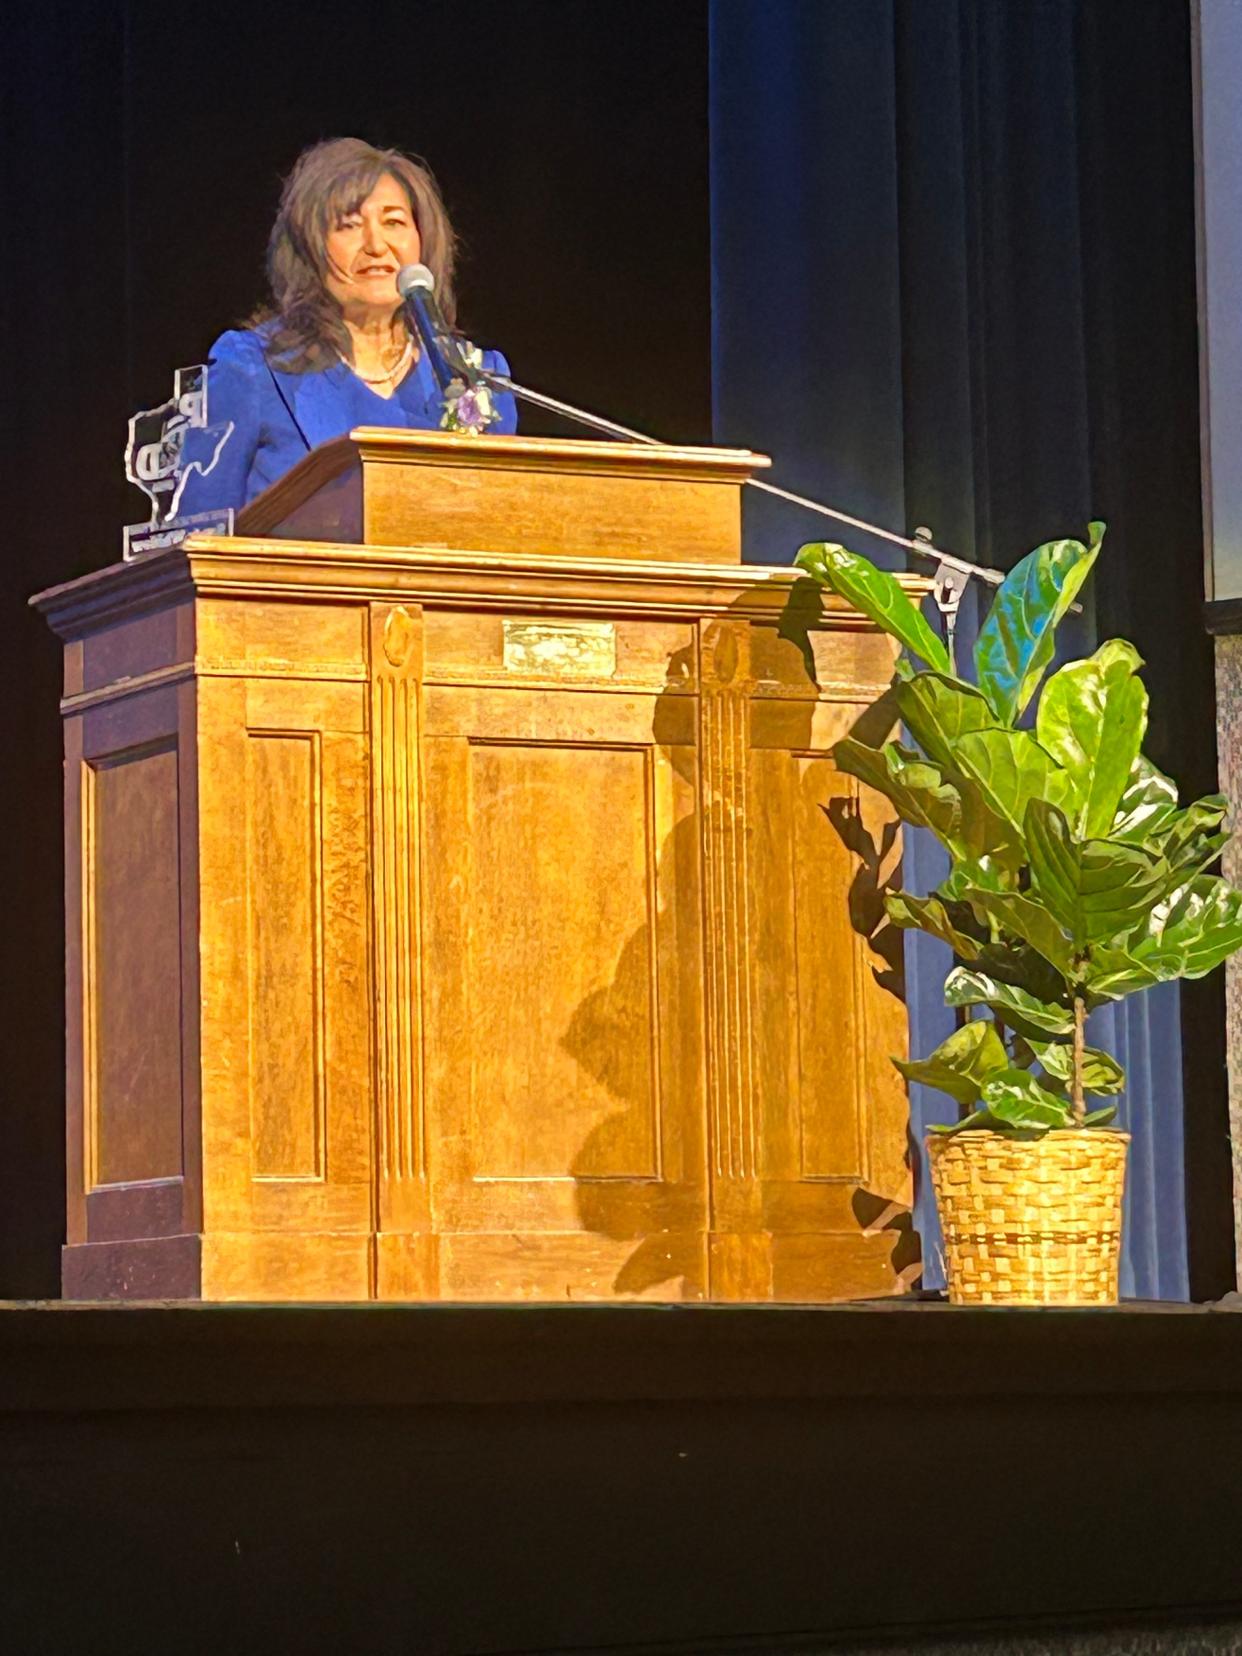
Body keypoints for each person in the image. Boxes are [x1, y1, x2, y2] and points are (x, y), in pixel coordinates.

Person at [175, 137, 516, 515]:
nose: (376, 244)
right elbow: (195, 537)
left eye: (394, 221)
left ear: (423, 241)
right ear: (309, 250)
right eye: (349, 225)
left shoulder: (476, 380)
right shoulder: (254, 370)